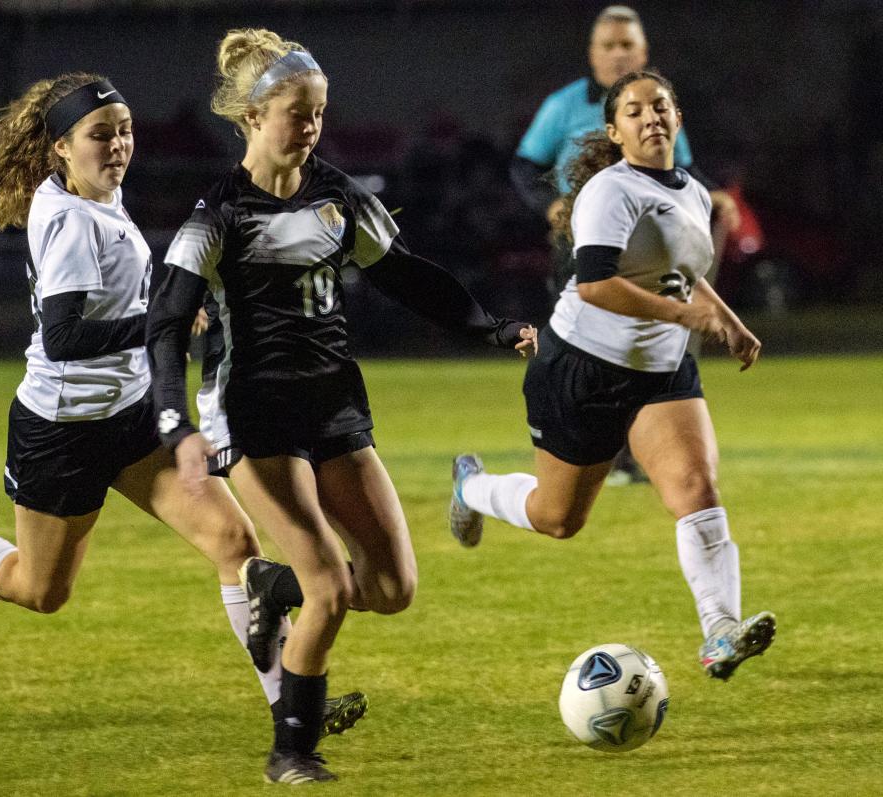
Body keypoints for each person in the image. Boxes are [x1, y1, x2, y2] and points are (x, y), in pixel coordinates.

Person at [0, 72, 365, 742]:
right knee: (39, 589)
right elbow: (67, 338)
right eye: (102, 134)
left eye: (125, 130)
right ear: (61, 148)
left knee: (233, 542)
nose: (120, 144)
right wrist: (161, 320)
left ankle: (292, 705)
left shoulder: (92, 192)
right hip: (61, 432)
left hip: (129, 418)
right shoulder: (71, 221)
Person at [147, 28, 537, 784]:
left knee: (393, 587)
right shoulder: (217, 214)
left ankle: (274, 583)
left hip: (332, 404)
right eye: (298, 112)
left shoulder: (338, 196)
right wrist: (175, 423)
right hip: (252, 412)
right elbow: (167, 325)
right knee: (330, 588)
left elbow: (409, 275)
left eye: (320, 111)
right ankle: (291, 750)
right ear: (254, 117)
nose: (312, 126)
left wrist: (490, 325)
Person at [450, 70, 775, 683]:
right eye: (635, 111)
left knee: (695, 489)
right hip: (581, 368)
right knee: (558, 519)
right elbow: (597, 284)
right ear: (614, 130)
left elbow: (683, 269)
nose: (651, 117)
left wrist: (727, 320)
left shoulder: (695, 194)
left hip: (660, 370)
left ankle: (719, 632)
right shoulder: (609, 189)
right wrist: (688, 316)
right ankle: (471, 489)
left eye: (661, 106)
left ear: (678, 118)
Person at [510, 4, 740, 484]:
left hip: (651, 248)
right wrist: (550, 205)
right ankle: (585, 442)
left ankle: (634, 449)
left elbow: (682, 171)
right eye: (608, 46)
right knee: (591, 339)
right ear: (592, 55)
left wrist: (712, 192)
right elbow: (524, 168)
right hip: (586, 241)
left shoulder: (659, 107)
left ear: (644, 52)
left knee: (651, 341)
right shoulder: (565, 105)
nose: (618, 54)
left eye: (627, 45)